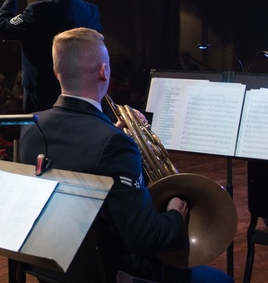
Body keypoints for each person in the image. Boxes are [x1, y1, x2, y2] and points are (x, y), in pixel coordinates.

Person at [19, 28, 190, 282]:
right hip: (110, 273)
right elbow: (143, 237)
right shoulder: (115, 144)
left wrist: (111, 134)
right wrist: (176, 212)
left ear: (57, 73)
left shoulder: (32, 129)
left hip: (53, 271)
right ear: (104, 72)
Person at [0, 0, 102, 111]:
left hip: (42, 97)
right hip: (79, 94)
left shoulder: (38, 10)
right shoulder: (91, 11)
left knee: (40, 135)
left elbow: (1, 28)